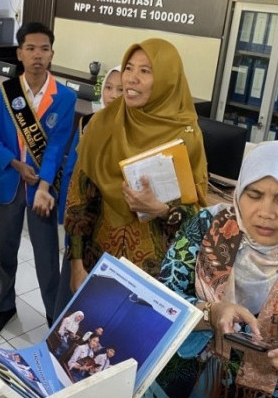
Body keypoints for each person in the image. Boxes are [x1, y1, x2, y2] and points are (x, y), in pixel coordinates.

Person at [149, 141, 278, 398]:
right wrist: (209, 313)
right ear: (239, 193)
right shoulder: (207, 227)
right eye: (254, 195)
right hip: (172, 382)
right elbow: (157, 300)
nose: (266, 212)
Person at [64, 38, 208, 292]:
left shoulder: (186, 136)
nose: (131, 78)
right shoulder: (103, 124)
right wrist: (76, 267)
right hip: (99, 263)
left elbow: (197, 217)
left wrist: (162, 210)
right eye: (129, 68)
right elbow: (79, 202)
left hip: (157, 276)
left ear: (167, 79)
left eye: (145, 71)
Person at [0, 22, 76, 337]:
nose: (38, 55)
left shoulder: (64, 98)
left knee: (46, 255)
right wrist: (15, 163)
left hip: (42, 189)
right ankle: (5, 305)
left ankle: (54, 315)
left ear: (52, 54)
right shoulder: (3, 93)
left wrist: (45, 185)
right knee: (6, 250)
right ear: (19, 53)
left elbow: (56, 147)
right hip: (10, 182)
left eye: (45, 48)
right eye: (31, 48)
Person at [54, 66, 122, 320]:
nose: (113, 95)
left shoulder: (135, 134)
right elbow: (71, 171)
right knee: (69, 290)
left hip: (112, 231)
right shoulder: (88, 123)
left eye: (121, 89)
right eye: (108, 87)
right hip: (82, 226)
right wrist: (66, 217)